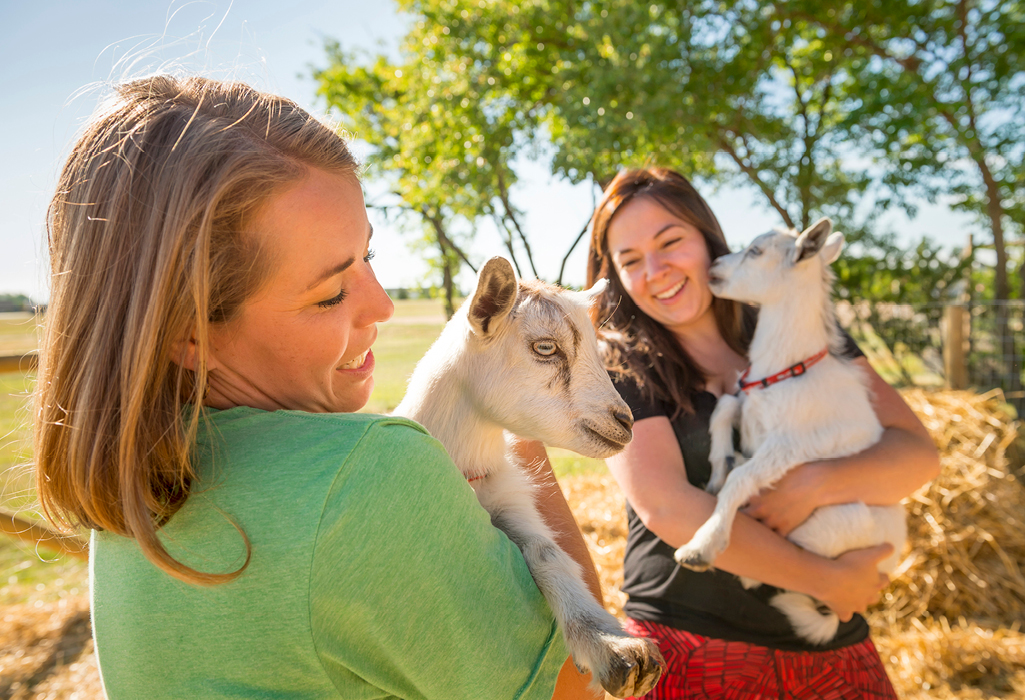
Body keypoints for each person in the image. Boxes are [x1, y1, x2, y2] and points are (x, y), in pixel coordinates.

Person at [34, 75, 600, 700]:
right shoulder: (371, 475)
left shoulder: (132, 484)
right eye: (331, 292)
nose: (381, 305)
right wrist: (504, 420)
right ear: (190, 332)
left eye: (369, 256)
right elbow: (580, 687)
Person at [584, 167, 941, 699]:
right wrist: (826, 580)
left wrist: (812, 486)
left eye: (670, 242)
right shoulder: (617, 369)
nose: (655, 270)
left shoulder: (806, 331)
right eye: (630, 261)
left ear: (709, 240)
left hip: (829, 639)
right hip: (693, 645)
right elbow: (668, 509)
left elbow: (915, 454)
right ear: (615, 276)